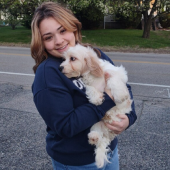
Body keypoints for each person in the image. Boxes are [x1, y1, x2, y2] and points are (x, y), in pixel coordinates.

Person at [31, 2, 137, 170]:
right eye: (48, 37)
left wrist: (129, 119)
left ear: (73, 28)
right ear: (41, 42)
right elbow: (66, 126)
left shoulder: (94, 54)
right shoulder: (48, 74)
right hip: (77, 161)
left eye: (62, 30)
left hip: (110, 150)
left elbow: (124, 88)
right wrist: (108, 99)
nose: (59, 41)